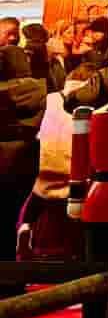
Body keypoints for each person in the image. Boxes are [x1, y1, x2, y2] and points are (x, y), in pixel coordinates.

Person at [0, 45, 44, 260]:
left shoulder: (2, 93)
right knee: (14, 215)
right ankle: (12, 273)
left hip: (2, 154)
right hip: (28, 156)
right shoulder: (42, 89)